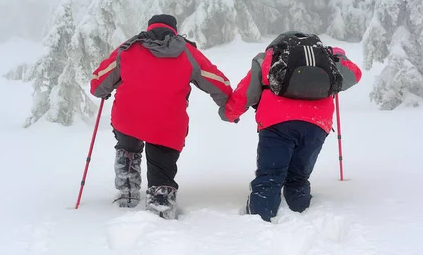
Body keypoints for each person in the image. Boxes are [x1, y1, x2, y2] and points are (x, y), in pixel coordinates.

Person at [89, 14, 232, 219]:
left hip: (129, 118)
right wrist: (228, 106)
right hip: (168, 124)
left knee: (128, 147)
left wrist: (102, 89)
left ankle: (127, 192)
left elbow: (98, 82)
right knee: (162, 165)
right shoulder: (187, 51)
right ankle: (160, 205)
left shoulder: (129, 48)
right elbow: (217, 81)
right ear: (174, 29)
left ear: (149, 28)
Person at [221, 31, 362, 222]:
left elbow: (246, 92)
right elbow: (354, 74)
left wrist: (229, 114)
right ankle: (301, 214)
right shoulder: (326, 58)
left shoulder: (268, 58)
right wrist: (339, 55)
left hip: (276, 124)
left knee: (270, 176)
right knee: (298, 177)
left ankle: (259, 222)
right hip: (316, 125)